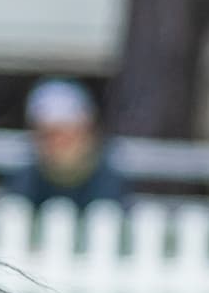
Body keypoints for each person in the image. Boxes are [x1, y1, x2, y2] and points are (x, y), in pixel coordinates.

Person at [8, 78, 126, 210]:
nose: (57, 145)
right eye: (48, 136)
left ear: (87, 132)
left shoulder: (108, 181)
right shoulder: (25, 182)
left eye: (66, 136)